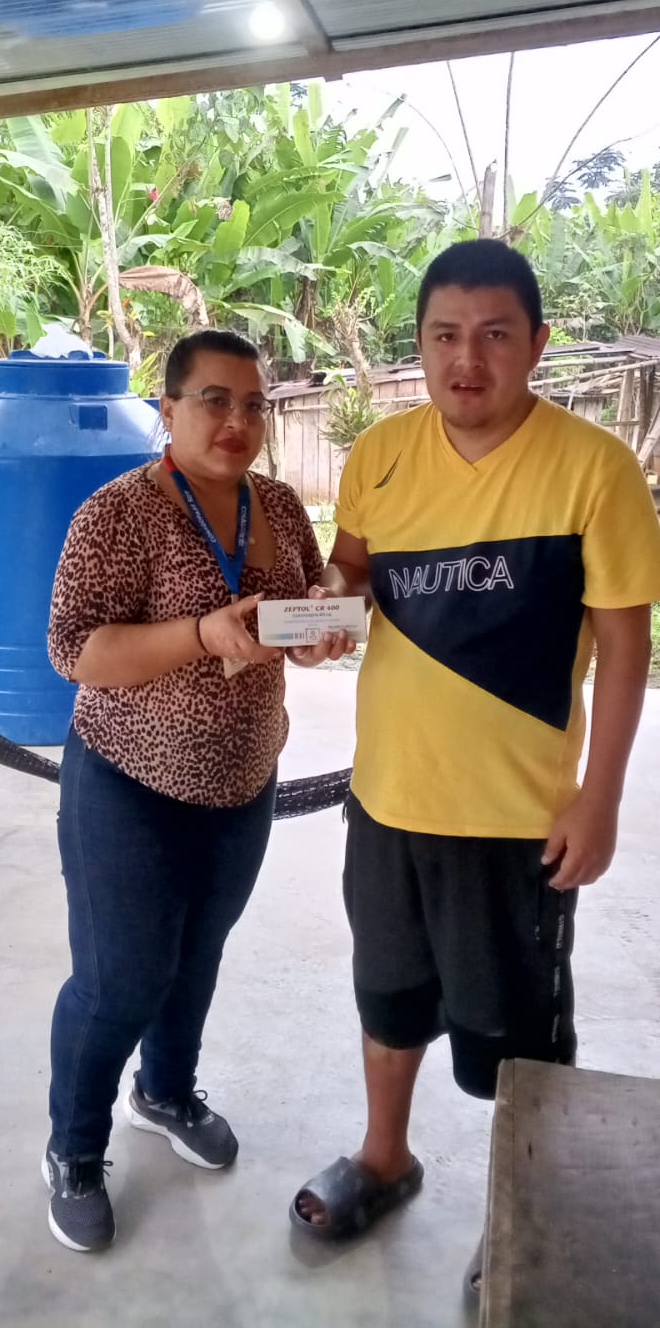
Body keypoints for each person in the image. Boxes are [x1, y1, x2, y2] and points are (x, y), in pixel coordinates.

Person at [290, 240, 660, 1302]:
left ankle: (524, 1204)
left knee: (519, 1034)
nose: (468, 359)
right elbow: (352, 570)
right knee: (388, 992)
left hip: (517, 817)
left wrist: (601, 798)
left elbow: (625, 645)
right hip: (387, 798)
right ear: (419, 346)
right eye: (445, 335)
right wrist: (324, 610)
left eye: (495, 334)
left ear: (536, 344)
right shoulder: (380, 454)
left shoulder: (595, 468)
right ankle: (384, 1156)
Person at [45, 328, 352, 1253]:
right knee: (120, 978)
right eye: (215, 400)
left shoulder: (277, 503)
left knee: (197, 953)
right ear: (169, 407)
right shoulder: (117, 513)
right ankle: (73, 1147)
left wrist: (320, 626)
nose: (237, 422)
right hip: (127, 784)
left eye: (253, 404)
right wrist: (201, 633)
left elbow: (298, 610)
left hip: (243, 783)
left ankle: (165, 1091)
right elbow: (76, 651)